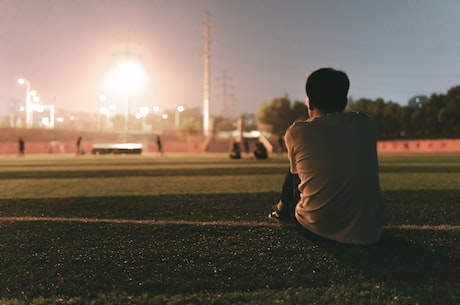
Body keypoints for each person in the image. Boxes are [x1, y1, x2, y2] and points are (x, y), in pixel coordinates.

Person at [268, 68, 385, 245]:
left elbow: (295, 181)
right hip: (371, 231)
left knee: (297, 164)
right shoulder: (367, 124)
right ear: (345, 101)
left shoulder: (297, 131)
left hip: (317, 228)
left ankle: (281, 210)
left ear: (309, 102)